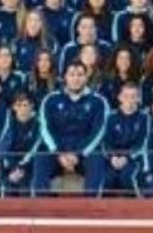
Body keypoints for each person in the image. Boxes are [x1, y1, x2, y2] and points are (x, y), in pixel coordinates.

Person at [34, 62, 109, 195]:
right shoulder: (51, 99)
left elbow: (98, 132)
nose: (76, 79)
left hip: (85, 152)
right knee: (41, 158)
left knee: (97, 159)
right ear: (65, 77)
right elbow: (45, 129)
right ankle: (41, 209)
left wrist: (78, 153)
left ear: (86, 77)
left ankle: (93, 210)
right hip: (57, 151)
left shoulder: (98, 101)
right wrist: (58, 152)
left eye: (80, 75)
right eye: (72, 75)